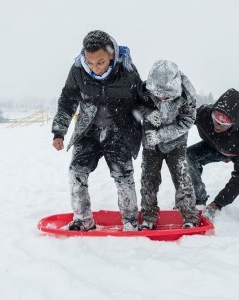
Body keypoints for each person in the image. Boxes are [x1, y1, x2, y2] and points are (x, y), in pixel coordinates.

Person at [52, 30, 155, 231]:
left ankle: (130, 220)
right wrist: (59, 131)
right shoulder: (78, 70)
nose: (94, 68)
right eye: (89, 62)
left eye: (100, 62)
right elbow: (67, 101)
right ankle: (84, 219)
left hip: (119, 130)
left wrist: (151, 121)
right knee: (76, 172)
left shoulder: (126, 71)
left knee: (123, 175)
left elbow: (142, 101)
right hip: (88, 130)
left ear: (111, 54)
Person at [187, 88, 239, 221]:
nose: (217, 126)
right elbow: (183, 117)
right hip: (217, 147)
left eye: (223, 124)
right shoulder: (204, 113)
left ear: (234, 123)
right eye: (215, 120)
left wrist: (217, 204)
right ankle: (198, 198)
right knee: (189, 156)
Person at [138, 60, 199, 229]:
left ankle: (189, 216)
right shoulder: (143, 90)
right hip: (150, 143)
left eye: (166, 95)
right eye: (157, 94)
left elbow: (186, 122)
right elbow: (135, 107)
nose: (161, 98)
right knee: (148, 179)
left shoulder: (188, 96)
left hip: (176, 143)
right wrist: (148, 113)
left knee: (182, 178)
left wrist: (161, 135)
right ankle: (149, 215)